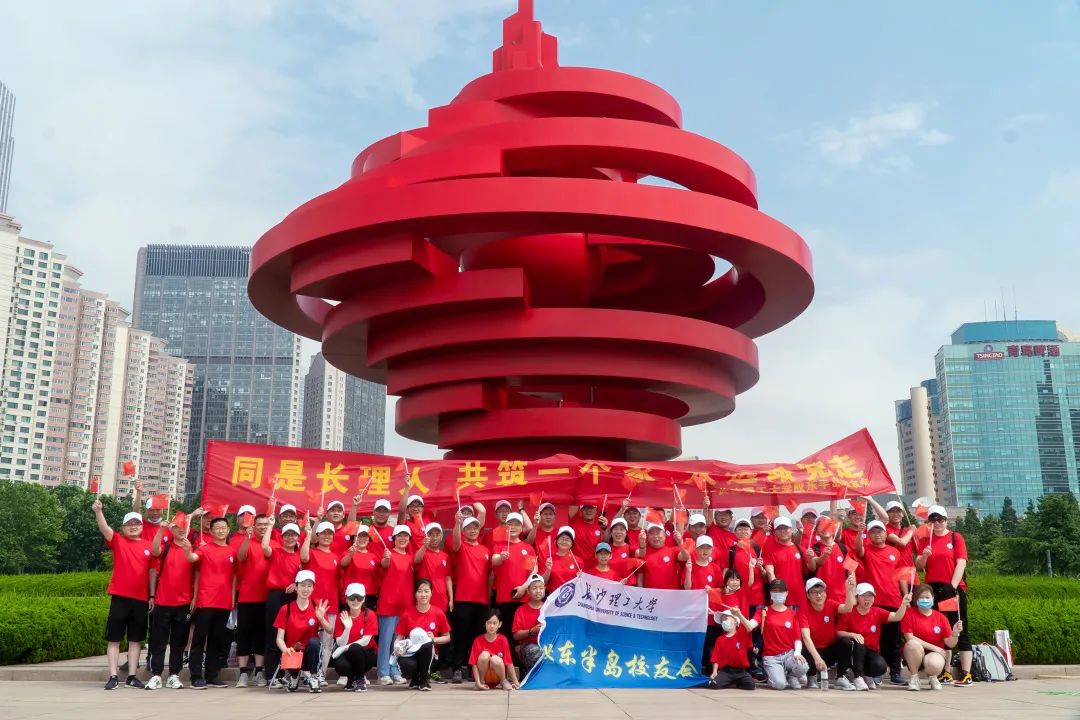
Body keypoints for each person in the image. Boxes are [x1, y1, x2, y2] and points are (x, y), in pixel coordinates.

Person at [94, 499, 152, 690]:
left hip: (141, 598)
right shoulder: (118, 540)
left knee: (136, 640)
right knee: (114, 638)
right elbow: (105, 529)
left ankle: (132, 676)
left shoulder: (149, 546)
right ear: (123, 527)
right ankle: (113, 676)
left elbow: (153, 571)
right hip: (120, 596)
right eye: (129, 524)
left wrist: (152, 596)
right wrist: (99, 512)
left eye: (136, 523)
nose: (133, 527)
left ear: (142, 526)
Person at [914, 504, 972, 685]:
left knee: (959, 627)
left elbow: (961, 563)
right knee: (941, 630)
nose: (937, 523)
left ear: (946, 520)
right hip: (933, 589)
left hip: (952, 588)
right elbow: (919, 566)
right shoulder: (925, 540)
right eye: (933, 520)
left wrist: (952, 586)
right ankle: (945, 671)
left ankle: (966, 673)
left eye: (940, 519)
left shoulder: (955, 537)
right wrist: (924, 556)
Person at [182, 515, 238, 689]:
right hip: (206, 601)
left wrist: (232, 597)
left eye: (223, 528)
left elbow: (234, 576)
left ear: (228, 530)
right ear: (211, 531)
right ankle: (196, 677)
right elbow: (192, 558)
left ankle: (212, 675)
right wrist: (187, 549)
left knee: (216, 639)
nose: (220, 530)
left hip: (224, 602)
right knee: (199, 639)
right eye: (217, 528)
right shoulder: (204, 549)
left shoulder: (232, 552)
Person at [854, 519, 908, 685]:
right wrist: (859, 533)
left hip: (894, 600)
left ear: (886, 533)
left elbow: (901, 575)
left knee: (894, 640)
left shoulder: (895, 552)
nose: (877, 534)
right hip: (874, 602)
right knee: (877, 639)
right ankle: (876, 671)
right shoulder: (867, 550)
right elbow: (858, 550)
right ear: (869, 535)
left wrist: (906, 595)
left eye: (880, 531)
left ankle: (895, 672)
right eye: (873, 532)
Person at [835, 582, 911, 691]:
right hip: (854, 650)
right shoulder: (849, 612)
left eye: (870, 596)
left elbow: (896, 617)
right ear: (857, 597)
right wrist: (852, 634)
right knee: (856, 644)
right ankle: (858, 677)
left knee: (880, 666)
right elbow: (838, 632)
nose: (867, 599)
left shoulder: (877, 611)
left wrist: (903, 603)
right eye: (863, 596)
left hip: (871, 651)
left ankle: (866, 675)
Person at [147, 517, 193, 690]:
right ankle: (156, 675)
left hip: (184, 602)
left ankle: (174, 674)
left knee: (178, 642)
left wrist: (194, 598)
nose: (181, 530)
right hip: (163, 601)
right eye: (178, 527)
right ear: (172, 530)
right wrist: (160, 529)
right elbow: (154, 551)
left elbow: (197, 574)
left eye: (184, 527)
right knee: (158, 641)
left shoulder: (192, 549)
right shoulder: (166, 548)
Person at [261, 517, 307, 687]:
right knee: (274, 633)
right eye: (287, 535)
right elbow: (264, 547)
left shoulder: (300, 557)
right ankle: (271, 674)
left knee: (290, 635)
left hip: (293, 597)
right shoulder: (276, 552)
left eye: (293, 535)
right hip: (276, 596)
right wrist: (270, 526)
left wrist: (296, 585)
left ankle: (288, 672)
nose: (290, 538)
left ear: (298, 537)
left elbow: (304, 578)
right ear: (282, 537)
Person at [450, 513, 492, 684]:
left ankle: (471, 668)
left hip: (481, 600)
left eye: (475, 527)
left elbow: (489, 575)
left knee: (477, 636)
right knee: (461, 635)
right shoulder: (462, 546)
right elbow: (455, 542)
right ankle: (457, 668)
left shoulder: (486, 551)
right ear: (464, 531)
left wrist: (489, 596)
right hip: (463, 599)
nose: (472, 530)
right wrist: (457, 523)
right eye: (468, 528)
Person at [745, 579, 809, 690]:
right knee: (780, 685)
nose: (778, 593)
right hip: (771, 657)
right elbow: (750, 626)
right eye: (775, 591)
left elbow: (797, 638)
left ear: (786, 593)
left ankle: (791, 676)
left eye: (781, 591)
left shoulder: (792, 614)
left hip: (789, 654)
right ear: (770, 593)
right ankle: (774, 675)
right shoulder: (763, 612)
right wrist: (739, 616)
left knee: (803, 667)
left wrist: (797, 652)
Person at [272, 570, 328, 693]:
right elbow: (279, 638)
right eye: (302, 585)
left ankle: (313, 677)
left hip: (309, 654)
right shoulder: (286, 609)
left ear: (313, 588)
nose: (305, 589)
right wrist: (285, 650)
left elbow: (330, 630)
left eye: (309, 586)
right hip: (294, 653)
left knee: (314, 642)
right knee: (289, 651)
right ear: (296, 587)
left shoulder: (316, 606)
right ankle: (294, 677)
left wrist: (321, 618)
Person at [302, 518, 343, 686]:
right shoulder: (312, 552)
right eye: (323, 533)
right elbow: (303, 557)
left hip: (331, 604)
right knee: (311, 640)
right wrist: (308, 535)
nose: (327, 536)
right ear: (317, 536)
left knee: (327, 642)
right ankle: (307, 673)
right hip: (313, 603)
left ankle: (321, 675)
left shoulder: (336, 557)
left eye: (329, 533)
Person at [798, 575, 856, 690]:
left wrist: (849, 591)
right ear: (808, 595)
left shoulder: (830, 604)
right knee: (807, 659)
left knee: (846, 643)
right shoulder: (803, 610)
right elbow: (806, 637)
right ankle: (811, 677)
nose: (819, 595)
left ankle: (840, 677)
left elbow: (848, 608)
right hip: (812, 651)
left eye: (821, 592)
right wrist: (817, 658)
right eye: (814, 592)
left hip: (828, 649)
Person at [902, 584, 963, 691]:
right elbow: (909, 638)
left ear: (933, 598)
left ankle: (933, 677)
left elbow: (950, 643)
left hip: (934, 655)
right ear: (916, 599)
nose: (925, 600)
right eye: (921, 597)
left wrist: (955, 634)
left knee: (934, 664)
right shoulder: (909, 614)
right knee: (912, 644)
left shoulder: (941, 617)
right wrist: (936, 648)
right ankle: (914, 677)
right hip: (916, 652)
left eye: (927, 597)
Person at [394, 578, 452, 691]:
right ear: (415, 594)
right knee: (404, 662)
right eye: (419, 591)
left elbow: (447, 637)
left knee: (427, 644)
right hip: (411, 652)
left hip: (430, 654)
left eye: (426, 591)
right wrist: (397, 648)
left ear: (431, 593)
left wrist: (434, 639)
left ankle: (424, 679)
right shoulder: (407, 613)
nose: (423, 595)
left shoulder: (438, 613)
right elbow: (399, 637)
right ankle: (415, 678)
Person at [234, 513, 271, 687]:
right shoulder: (247, 542)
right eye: (259, 524)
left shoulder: (273, 544)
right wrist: (247, 538)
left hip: (266, 597)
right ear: (253, 526)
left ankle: (259, 672)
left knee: (261, 635)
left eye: (265, 524)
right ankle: (243, 673)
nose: (263, 527)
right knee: (244, 634)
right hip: (247, 596)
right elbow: (240, 557)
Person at [376, 525, 415, 685]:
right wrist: (386, 558)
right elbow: (384, 564)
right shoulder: (389, 554)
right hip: (389, 604)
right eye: (399, 536)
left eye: (405, 536)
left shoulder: (410, 557)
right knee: (386, 641)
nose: (402, 539)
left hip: (405, 605)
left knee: (399, 642)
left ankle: (394, 670)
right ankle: (383, 673)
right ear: (394, 538)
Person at [325, 582, 379, 692]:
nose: (355, 601)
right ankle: (351, 678)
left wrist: (344, 648)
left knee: (355, 647)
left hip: (366, 654)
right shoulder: (342, 616)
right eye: (352, 597)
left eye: (359, 598)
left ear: (364, 599)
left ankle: (360, 680)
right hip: (348, 654)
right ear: (346, 599)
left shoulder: (369, 615)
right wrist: (347, 628)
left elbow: (365, 641)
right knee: (340, 665)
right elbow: (340, 643)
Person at [762, 517, 806, 610]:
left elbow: (812, 566)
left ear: (791, 529)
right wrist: (777, 590)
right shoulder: (770, 551)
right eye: (779, 529)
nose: (783, 531)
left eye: (786, 528)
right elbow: (770, 572)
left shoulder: (800, 549)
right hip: (780, 598)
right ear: (775, 532)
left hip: (799, 596)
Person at [469, 609, 520, 690]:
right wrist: (478, 683)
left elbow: (508, 662)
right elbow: (473, 664)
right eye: (489, 623)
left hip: (497, 676)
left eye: (494, 623)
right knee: (484, 655)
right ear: (485, 623)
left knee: (495, 659)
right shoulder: (477, 640)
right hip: (483, 676)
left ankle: (503, 681)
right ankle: (482, 682)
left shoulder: (503, 639)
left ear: (500, 624)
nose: (491, 626)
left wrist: (516, 682)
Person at [707, 609, 756, 690]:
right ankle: (730, 682)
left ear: (735, 621)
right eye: (722, 620)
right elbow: (716, 657)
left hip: (741, 671)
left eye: (726, 618)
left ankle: (735, 683)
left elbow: (749, 628)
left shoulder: (742, 633)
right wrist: (714, 671)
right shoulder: (720, 639)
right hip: (726, 671)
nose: (724, 621)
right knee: (714, 685)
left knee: (750, 685)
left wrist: (739, 615)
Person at [340, 525, 381, 611]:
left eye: (365, 536)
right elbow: (343, 564)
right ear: (354, 538)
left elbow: (379, 575)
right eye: (359, 536)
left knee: (367, 618)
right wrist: (350, 555)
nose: (362, 538)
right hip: (352, 595)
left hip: (370, 595)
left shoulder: (374, 557)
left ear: (369, 539)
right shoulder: (347, 553)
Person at [639, 522, 689, 589]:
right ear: (647, 536)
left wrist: (680, 543)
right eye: (652, 533)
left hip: (670, 593)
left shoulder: (672, 550)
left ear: (664, 535)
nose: (655, 536)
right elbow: (641, 574)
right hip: (650, 594)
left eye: (658, 533)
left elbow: (685, 557)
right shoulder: (643, 552)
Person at [512, 574, 546, 673]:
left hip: (547, 645)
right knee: (536, 652)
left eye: (541, 588)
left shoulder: (550, 608)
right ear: (528, 591)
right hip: (528, 647)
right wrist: (532, 631)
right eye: (534, 588)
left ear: (544, 589)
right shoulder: (521, 610)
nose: (538, 591)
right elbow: (516, 635)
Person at [541, 525, 581, 592]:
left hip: (571, 595)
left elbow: (582, 584)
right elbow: (543, 582)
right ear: (556, 540)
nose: (564, 542)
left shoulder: (578, 561)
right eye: (562, 538)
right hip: (553, 595)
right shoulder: (548, 559)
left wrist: (580, 578)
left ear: (572, 543)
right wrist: (548, 570)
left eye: (567, 540)